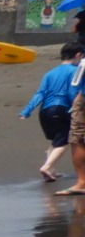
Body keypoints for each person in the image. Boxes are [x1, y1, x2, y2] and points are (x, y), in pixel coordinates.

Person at [20, 44, 84, 183]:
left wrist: (27, 111)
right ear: (78, 55)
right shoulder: (75, 71)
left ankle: (52, 169)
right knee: (64, 141)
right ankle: (47, 167)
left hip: (45, 111)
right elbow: (73, 92)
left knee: (56, 140)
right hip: (61, 109)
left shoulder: (50, 73)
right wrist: (75, 108)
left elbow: (40, 93)